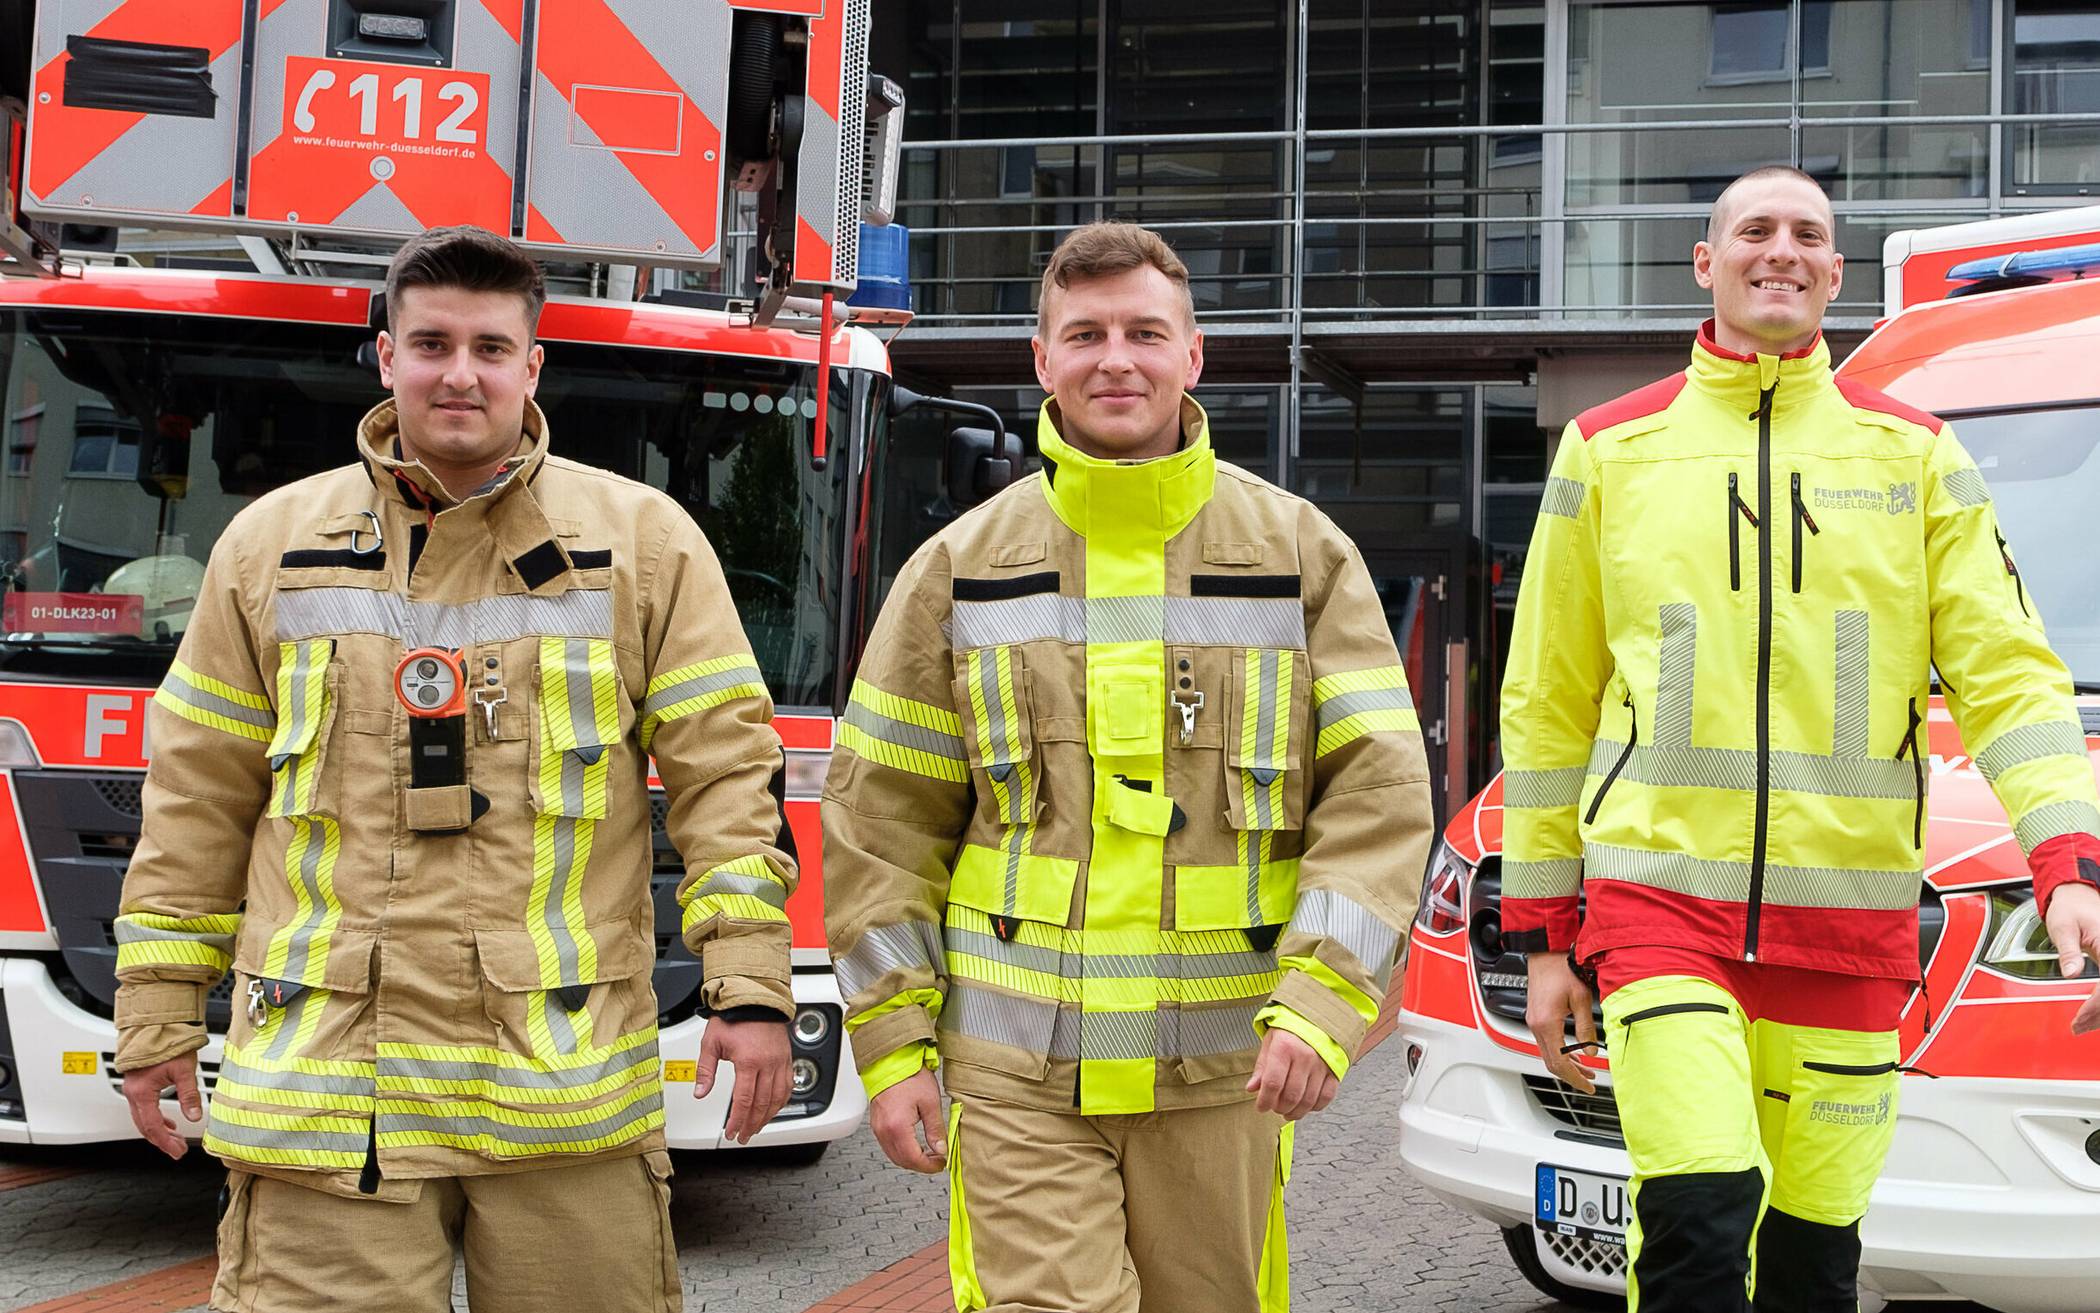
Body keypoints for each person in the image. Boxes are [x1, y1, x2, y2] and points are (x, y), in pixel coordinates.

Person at [112, 225, 797, 1313]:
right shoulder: (270, 549)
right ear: (386, 356)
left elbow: (728, 785)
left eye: (490, 346)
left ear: (534, 366)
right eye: (431, 343)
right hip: (330, 1103)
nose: (460, 372)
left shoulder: (642, 544)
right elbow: (195, 801)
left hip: (557, 1096)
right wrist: (155, 1015)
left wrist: (752, 990)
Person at [1501, 165, 2100, 1313]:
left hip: (1852, 925)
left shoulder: (1916, 454)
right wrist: (1541, 929)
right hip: (1659, 911)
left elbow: (2009, 673)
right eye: (1753, 229)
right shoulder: (1607, 449)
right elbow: (1546, 702)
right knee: (1699, 1205)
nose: (1780, 248)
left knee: (1816, 1255)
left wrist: (2067, 858)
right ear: (1706, 262)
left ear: (1835, 273)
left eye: (1807, 235)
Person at [822, 221, 1434, 1313]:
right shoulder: (956, 571)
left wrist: (1323, 1004)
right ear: (1041, 358)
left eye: (1145, 332)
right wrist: (891, 1043)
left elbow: (1378, 800)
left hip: (1222, 1071)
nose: (1117, 358)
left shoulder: (1301, 556)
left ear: (1191, 355)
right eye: (1087, 333)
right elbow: (882, 823)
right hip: (1016, 1075)